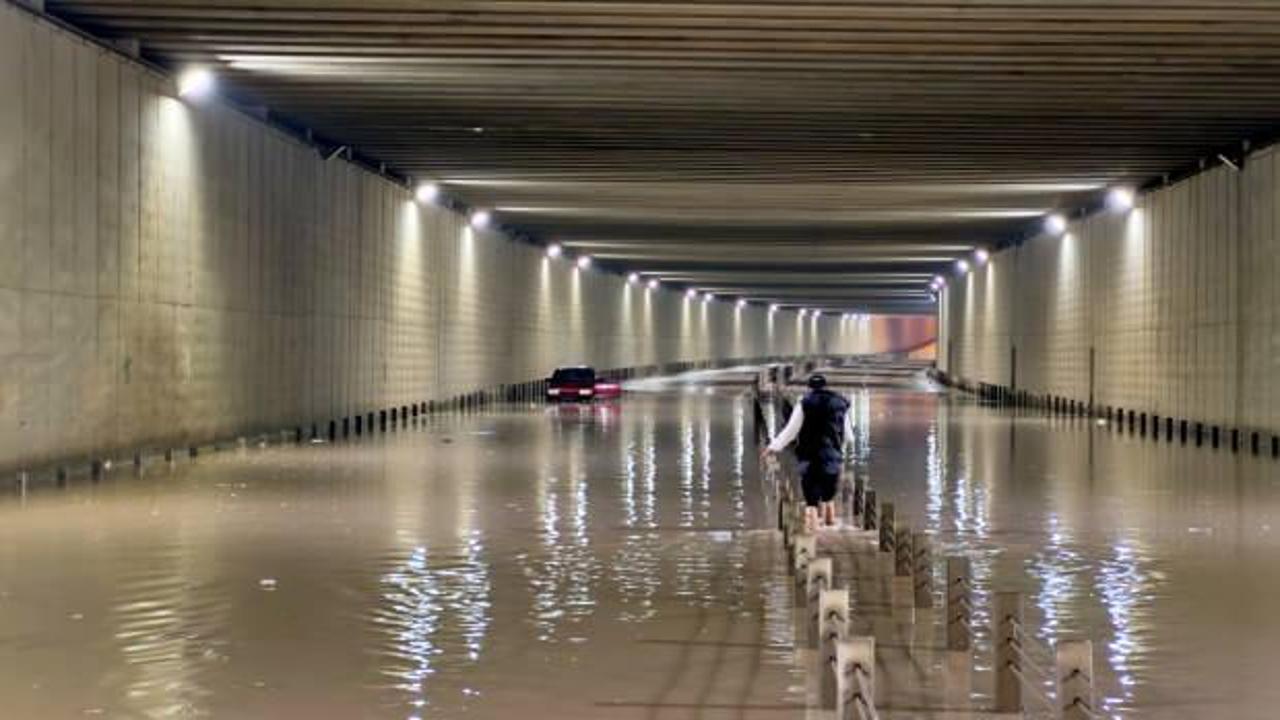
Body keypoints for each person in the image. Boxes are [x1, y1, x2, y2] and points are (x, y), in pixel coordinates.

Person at [761, 373, 855, 531]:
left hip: (809, 456)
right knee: (828, 495)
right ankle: (830, 528)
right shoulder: (840, 404)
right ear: (826, 386)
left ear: (810, 388)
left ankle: (812, 534)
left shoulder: (804, 404)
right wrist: (839, 451)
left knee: (811, 500)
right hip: (832, 457)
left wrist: (773, 447)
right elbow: (849, 436)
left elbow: (790, 431)